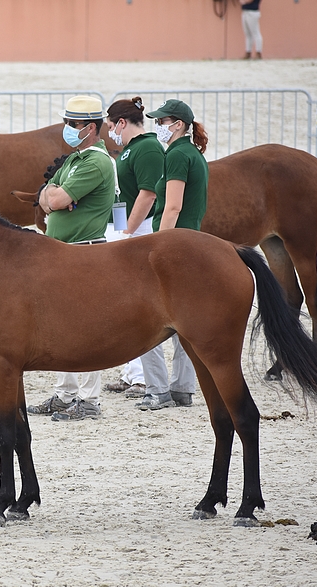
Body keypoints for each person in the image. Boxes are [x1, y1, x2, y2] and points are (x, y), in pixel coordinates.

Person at [27, 95, 115, 422]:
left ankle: (89, 400)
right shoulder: (74, 159)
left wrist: (55, 198)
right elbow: (44, 197)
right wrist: (51, 198)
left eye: (73, 124)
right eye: (66, 122)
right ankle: (66, 394)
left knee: (87, 327)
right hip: (65, 252)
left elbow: (56, 197)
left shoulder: (94, 162)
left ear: (90, 128)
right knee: (62, 326)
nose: (66, 129)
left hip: (85, 252)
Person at [135, 99, 209, 410]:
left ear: (177, 124)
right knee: (186, 320)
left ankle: (157, 390)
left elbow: (173, 206)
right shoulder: (192, 153)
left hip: (175, 244)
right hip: (193, 241)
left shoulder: (177, 155)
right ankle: (182, 388)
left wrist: (159, 245)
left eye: (161, 122)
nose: (158, 128)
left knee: (139, 319)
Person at [100, 96, 166, 399]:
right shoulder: (132, 150)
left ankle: (142, 378)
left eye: (111, 126)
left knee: (137, 302)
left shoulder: (148, 148)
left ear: (122, 123)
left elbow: (148, 194)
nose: (110, 132)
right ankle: (132, 373)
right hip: (124, 225)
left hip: (136, 228)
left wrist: (127, 231)